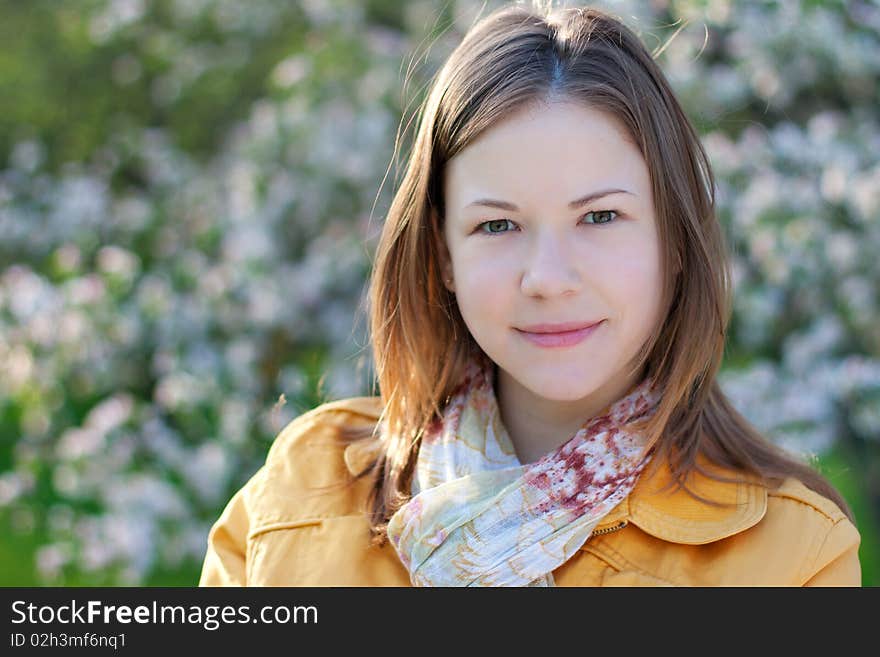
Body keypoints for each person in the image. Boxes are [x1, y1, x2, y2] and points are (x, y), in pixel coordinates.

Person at [199, 2, 862, 587]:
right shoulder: (299, 496)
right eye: (498, 224)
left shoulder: (790, 554)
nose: (547, 277)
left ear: (675, 237)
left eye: (599, 217)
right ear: (443, 253)